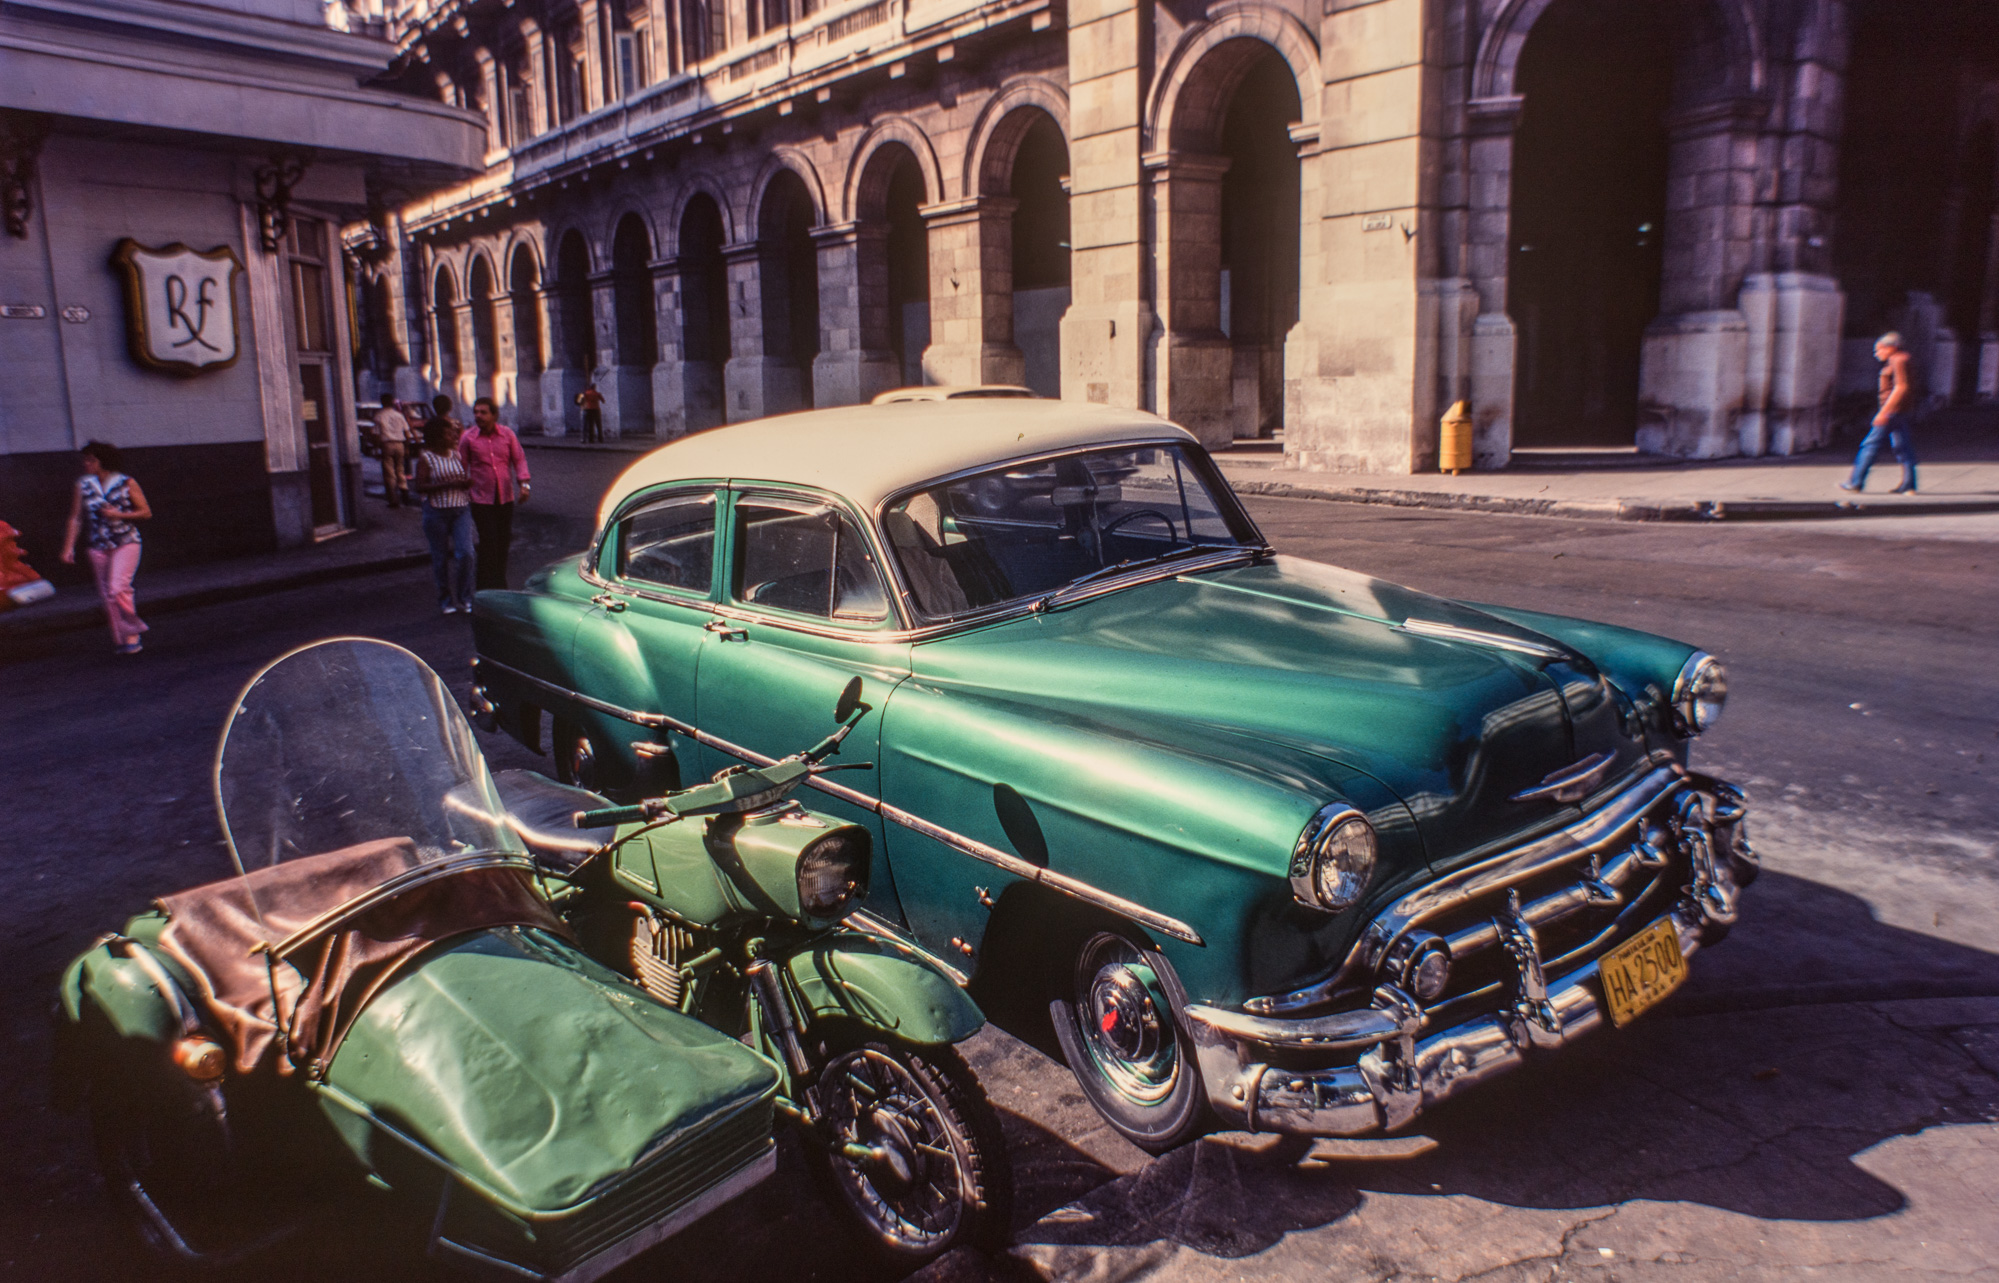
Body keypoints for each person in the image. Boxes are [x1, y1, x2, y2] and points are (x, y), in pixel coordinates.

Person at [59, 440, 152, 653]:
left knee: (117, 588)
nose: (86, 464)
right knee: (107, 595)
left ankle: (133, 626)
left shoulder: (126, 482)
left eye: (91, 460)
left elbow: (146, 512)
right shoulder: (83, 485)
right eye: (85, 459)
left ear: (104, 461)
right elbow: (75, 518)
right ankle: (127, 640)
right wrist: (68, 547)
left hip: (125, 542)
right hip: (97, 545)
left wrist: (118, 514)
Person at [458, 396, 531, 592]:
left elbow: (519, 460)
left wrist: (524, 485)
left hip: (504, 498)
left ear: (494, 415)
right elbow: (460, 466)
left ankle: (499, 584)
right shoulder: (468, 438)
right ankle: (484, 587)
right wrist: (462, 486)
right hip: (481, 499)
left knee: (503, 541)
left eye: (483, 412)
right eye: (476, 412)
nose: (478, 416)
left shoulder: (507, 435)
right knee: (489, 542)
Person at [1841, 331, 1920, 494]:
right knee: (1903, 447)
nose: (1877, 353)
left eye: (1880, 349)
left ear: (1892, 347)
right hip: (1900, 411)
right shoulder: (1898, 359)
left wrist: (1884, 412)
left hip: (1893, 411)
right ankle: (1910, 484)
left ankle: (1855, 482)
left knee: (1870, 445)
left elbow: (1901, 387)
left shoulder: (1899, 359)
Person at [413, 415, 476, 613]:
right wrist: (449, 484)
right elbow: (420, 486)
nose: (454, 436)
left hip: (461, 509)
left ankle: (465, 597)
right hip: (436, 512)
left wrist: (467, 484)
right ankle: (445, 600)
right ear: (438, 437)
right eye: (449, 433)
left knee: (466, 553)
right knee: (440, 558)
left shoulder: (457, 454)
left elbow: (466, 476)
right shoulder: (426, 458)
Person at [374, 397, 412, 508]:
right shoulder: (398, 415)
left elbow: (376, 434)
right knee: (400, 469)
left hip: (387, 444)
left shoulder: (379, 415)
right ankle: (405, 493)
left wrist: (377, 448)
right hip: (400, 443)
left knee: (389, 473)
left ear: (382, 403)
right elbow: (406, 432)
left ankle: (393, 500)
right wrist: (407, 447)